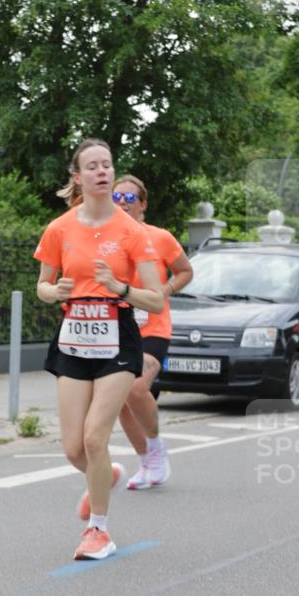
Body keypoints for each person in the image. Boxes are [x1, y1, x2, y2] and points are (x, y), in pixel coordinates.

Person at [34, 140, 164, 560]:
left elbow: (156, 299)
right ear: (78, 177)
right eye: (92, 166)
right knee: (73, 447)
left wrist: (120, 287)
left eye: (107, 165)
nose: (102, 172)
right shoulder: (59, 228)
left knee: (94, 436)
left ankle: (99, 531)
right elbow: (42, 286)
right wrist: (54, 292)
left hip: (117, 336)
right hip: (73, 336)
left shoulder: (132, 231)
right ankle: (103, 476)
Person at [111, 175, 193, 489]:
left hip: (153, 327)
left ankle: (156, 445)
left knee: (135, 387)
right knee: (119, 400)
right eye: (117, 198)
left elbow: (185, 270)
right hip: (117, 328)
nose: (122, 204)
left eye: (130, 198)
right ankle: (147, 460)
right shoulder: (105, 240)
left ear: (143, 204)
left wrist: (166, 289)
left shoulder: (159, 237)